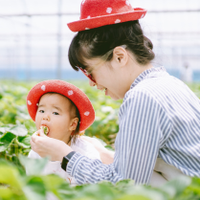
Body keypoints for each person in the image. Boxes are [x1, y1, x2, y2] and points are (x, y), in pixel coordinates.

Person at [30, 0, 200, 186]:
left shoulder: (142, 97)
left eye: (90, 71)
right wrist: (104, 154)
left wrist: (64, 155)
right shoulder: (171, 84)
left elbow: (125, 184)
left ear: (119, 57)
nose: (91, 82)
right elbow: (140, 167)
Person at [26, 80, 101, 186]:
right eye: (42, 110)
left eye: (55, 112)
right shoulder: (35, 153)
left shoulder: (86, 154)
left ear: (72, 124)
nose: (45, 116)